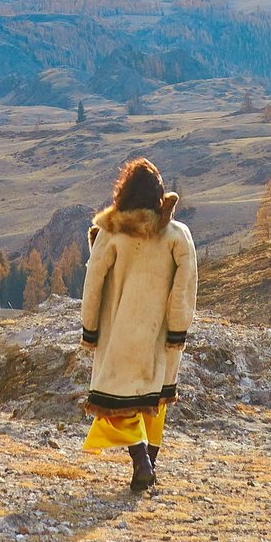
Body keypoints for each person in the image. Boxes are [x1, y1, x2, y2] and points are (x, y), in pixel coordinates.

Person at [77, 156, 196, 493]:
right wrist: (177, 329)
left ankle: (141, 461)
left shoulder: (110, 234)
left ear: (124, 194)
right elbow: (186, 284)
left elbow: (93, 282)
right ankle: (148, 468)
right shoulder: (178, 235)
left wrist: (90, 330)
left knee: (121, 400)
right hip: (162, 335)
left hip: (120, 334)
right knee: (153, 401)